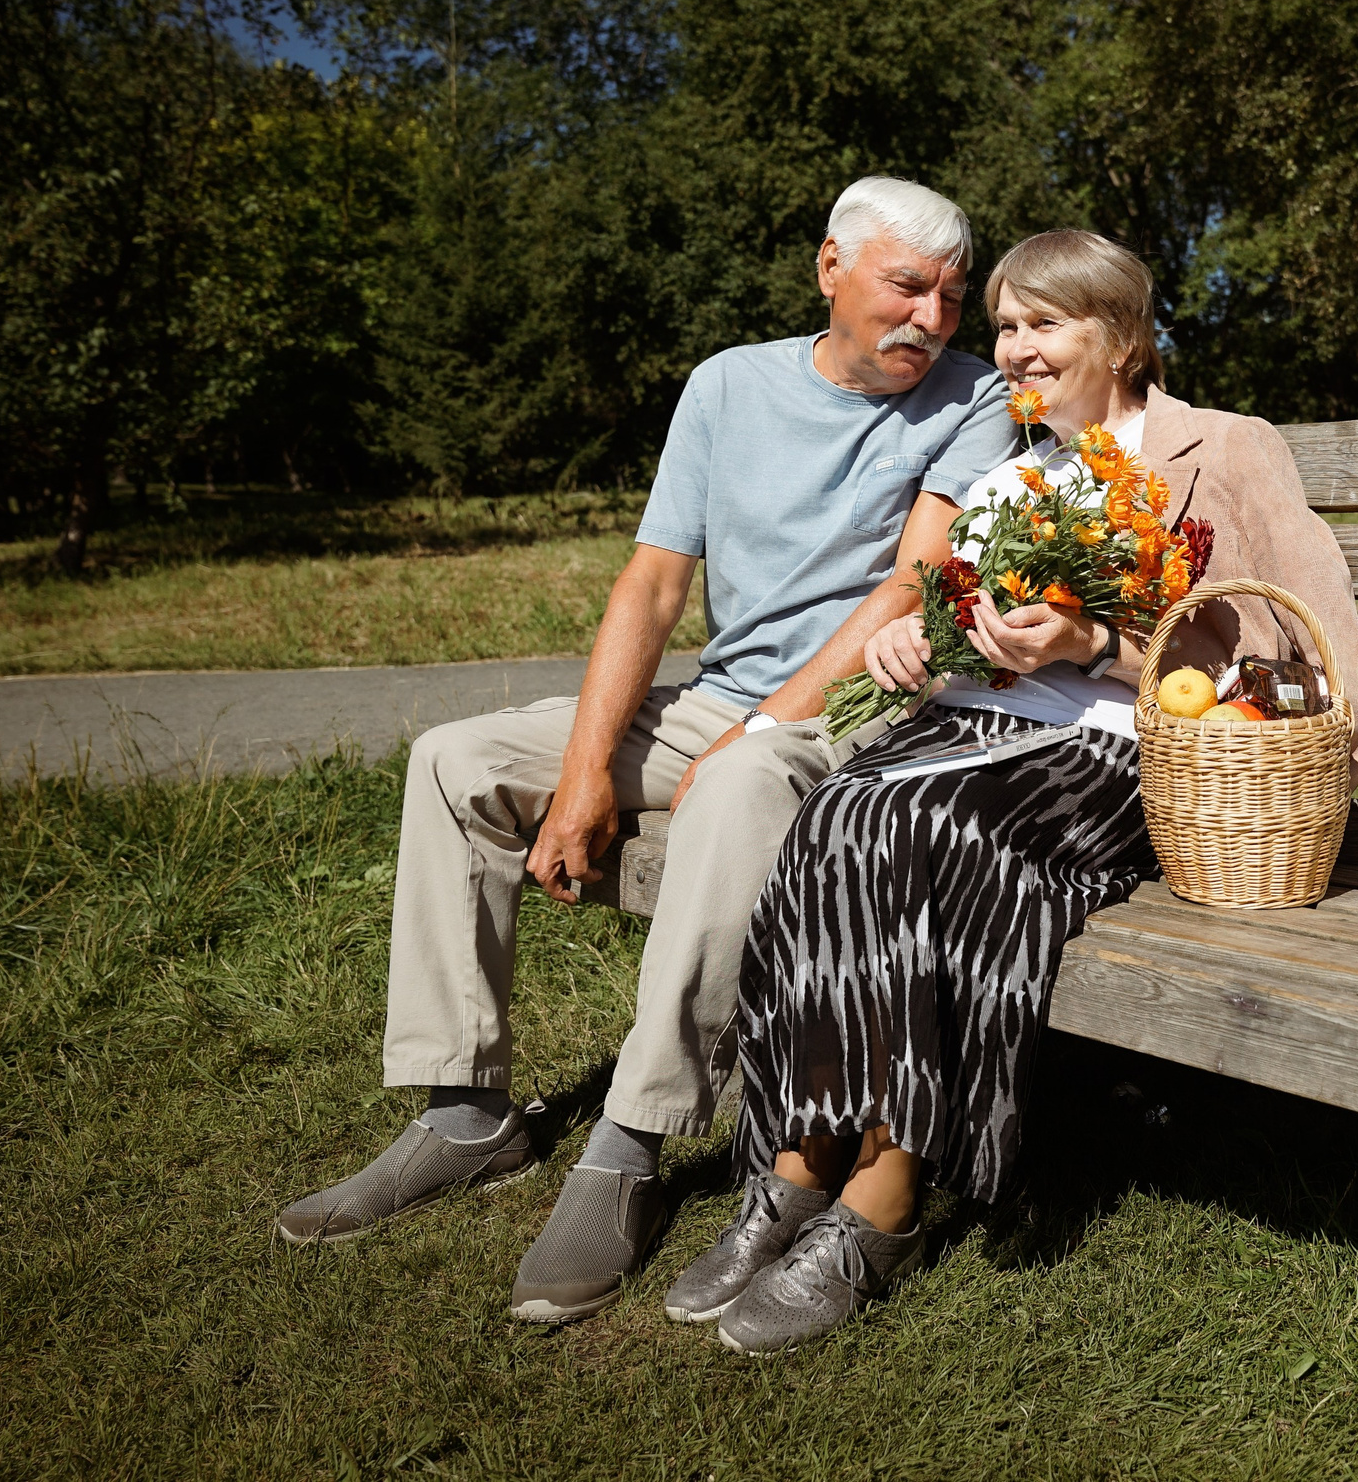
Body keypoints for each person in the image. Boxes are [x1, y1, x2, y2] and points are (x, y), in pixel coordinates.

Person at [275, 177, 1021, 1327]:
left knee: (730, 786)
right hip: (719, 699)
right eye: (905, 286)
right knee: (453, 761)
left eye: (951, 297)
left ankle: (628, 1142)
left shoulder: (973, 401)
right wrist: (583, 777)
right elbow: (655, 584)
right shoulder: (728, 384)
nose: (931, 317)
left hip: (857, 712)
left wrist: (756, 730)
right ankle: (464, 1112)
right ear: (831, 269)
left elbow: (908, 587)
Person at [656, 229, 1358, 1350]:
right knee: (840, 811)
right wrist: (917, 653)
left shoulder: (1222, 448)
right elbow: (969, 639)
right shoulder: (1016, 474)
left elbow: (1294, 648)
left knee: (922, 820)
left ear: (1121, 336)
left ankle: (883, 1201)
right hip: (980, 729)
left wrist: (1095, 644)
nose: (1015, 349)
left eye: (1044, 324)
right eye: (1004, 326)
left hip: (1130, 754)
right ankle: (796, 1165)